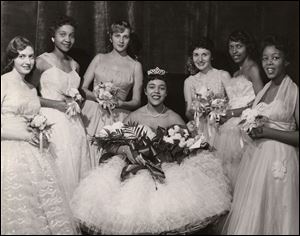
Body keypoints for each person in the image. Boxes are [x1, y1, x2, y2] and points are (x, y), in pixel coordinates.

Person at [70, 67, 232, 235]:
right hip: (136, 171)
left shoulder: (174, 117)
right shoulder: (134, 117)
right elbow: (107, 143)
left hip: (166, 172)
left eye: (161, 88)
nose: (156, 91)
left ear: (166, 93)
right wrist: (125, 149)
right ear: (145, 92)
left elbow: (186, 146)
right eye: (152, 87)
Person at [1, 36, 79, 234]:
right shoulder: (3, 82)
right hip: (9, 151)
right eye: (21, 56)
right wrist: (25, 136)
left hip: (36, 151)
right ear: (12, 59)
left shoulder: (30, 88)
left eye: (30, 56)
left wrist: (40, 131)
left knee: (41, 208)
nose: (27, 61)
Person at [223, 35, 299, 234]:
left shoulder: (294, 91)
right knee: (255, 215)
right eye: (265, 58)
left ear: (286, 60)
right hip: (256, 160)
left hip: (279, 161)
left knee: (277, 214)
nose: (269, 63)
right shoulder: (265, 88)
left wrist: (267, 131)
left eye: (275, 57)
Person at [30, 15, 91, 201]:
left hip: (74, 123)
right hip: (52, 122)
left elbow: (77, 94)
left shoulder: (75, 65)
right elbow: (28, 95)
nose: (67, 39)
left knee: (77, 164)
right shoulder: (41, 62)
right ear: (53, 37)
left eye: (71, 36)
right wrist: (54, 104)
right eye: (62, 34)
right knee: (60, 164)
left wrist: (78, 101)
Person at [80, 20, 143, 167]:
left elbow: (136, 101)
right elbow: (82, 88)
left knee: (109, 163)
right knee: (87, 156)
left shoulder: (135, 65)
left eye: (125, 36)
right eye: (117, 35)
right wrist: (99, 98)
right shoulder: (99, 58)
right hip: (92, 113)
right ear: (110, 37)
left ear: (129, 39)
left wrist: (120, 103)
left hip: (117, 117)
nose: (121, 40)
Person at [213, 30, 265, 189]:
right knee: (228, 167)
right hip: (229, 125)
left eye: (239, 46)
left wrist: (231, 113)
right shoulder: (236, 72)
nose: (234, 51)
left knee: (242, 167)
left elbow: (260, 100)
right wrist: (222, 111)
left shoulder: (253, 68)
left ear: (247, 47)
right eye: (231, 47)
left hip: (243, 123)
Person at [184, 37, 231, 143]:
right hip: (200, 129)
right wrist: (198, 110)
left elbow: (234, 103)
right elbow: (188, 111)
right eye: (196, 55)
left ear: (212, 56)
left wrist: (216, 110)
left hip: (221, 128)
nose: (200, 59)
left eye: (204, 54)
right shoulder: (189, 81)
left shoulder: (223, 75)